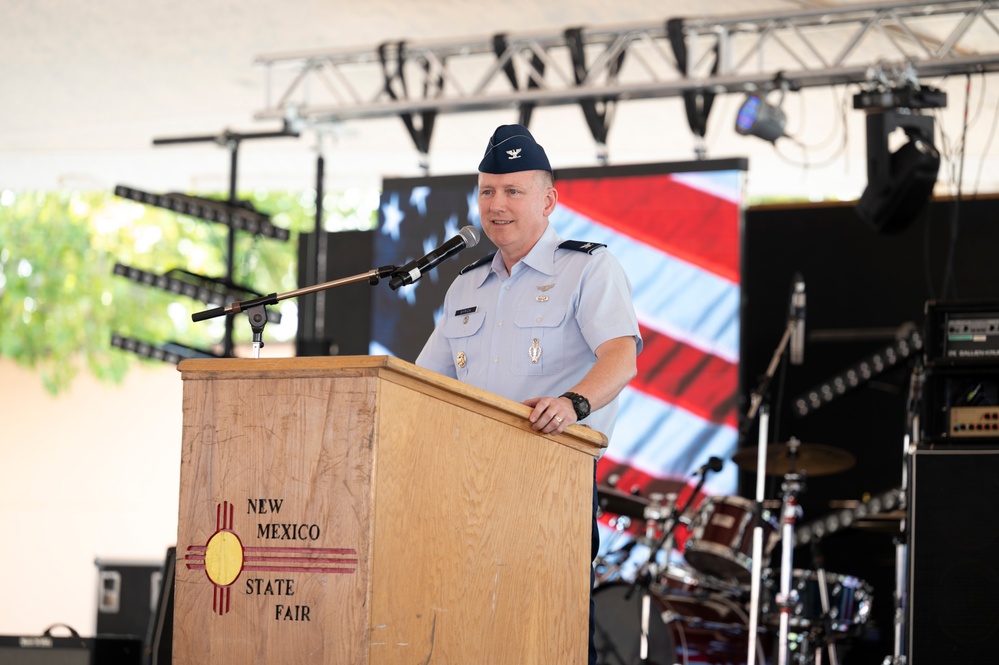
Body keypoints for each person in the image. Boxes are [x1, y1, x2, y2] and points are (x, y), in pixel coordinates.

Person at [415, 123, 643, 664]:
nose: (497, 204)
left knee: (545, 635)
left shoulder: (588, 267)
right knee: (471, 631)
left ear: (548, 200)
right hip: (467, 486)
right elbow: (424, 382)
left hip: (550, 479)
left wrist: (573, 404)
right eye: (487, 191)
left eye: (513, 191)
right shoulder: (465, 284)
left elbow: (621, 356)